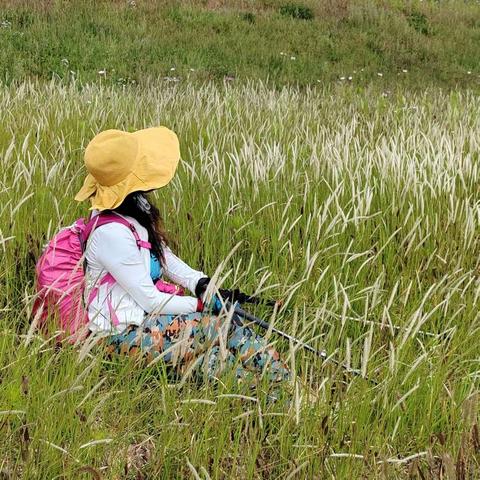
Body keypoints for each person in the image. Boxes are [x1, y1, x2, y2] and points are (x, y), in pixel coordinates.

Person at [74, 127, 290, 384]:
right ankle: (281, 388)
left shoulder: (131, 212)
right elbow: (152, 301)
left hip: (147, 325)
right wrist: (201, 304)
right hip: (120, 337)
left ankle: (279, 391)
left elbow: (163, 256)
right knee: (219, 327)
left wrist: (200, 283)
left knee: (215, 360)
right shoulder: (111, 234)